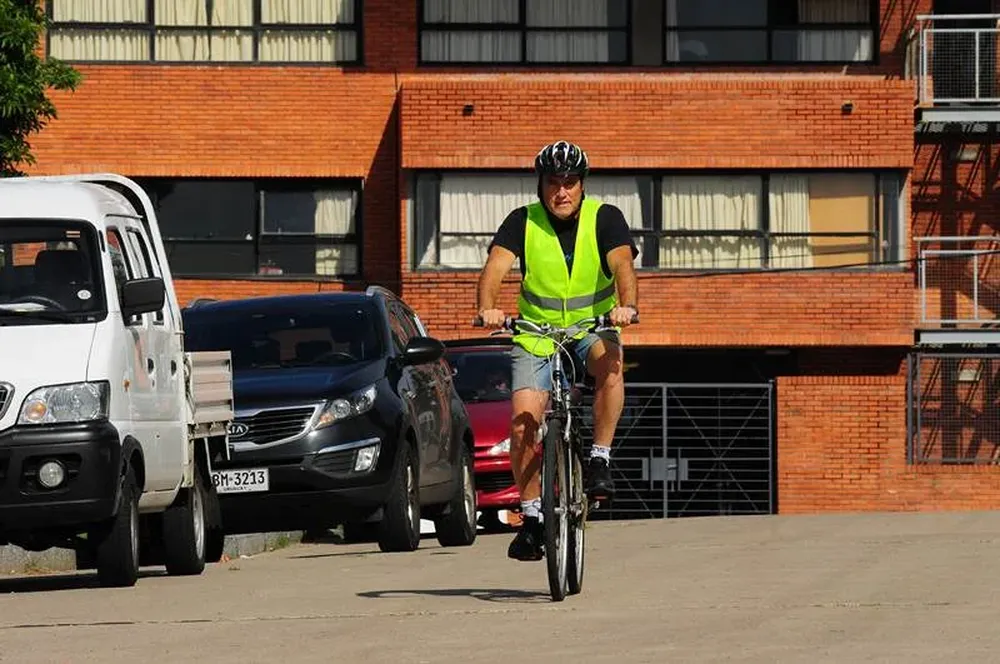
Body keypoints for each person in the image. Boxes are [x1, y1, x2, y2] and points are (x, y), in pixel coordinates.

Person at [475, 140, 639, 562]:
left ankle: (599, 457)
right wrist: (487, 308)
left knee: (611, 365)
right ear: (541, 185)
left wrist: (626, 306)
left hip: (591, 326)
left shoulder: (606, 218)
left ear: (582, 185)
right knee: (522, 423)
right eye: (553, 183)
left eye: (570, 182)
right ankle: (531, 518)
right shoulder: (522, 221)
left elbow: (623, 265)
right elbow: (495, 267)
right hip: (537, 333)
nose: (561, 192)